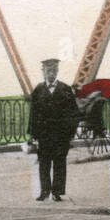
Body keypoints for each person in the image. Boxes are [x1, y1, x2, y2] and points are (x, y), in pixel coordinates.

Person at [28, 58, 79, 202]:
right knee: (44, 163)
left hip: (61, 134)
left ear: (57, 72)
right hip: (44, 135)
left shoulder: (65, 89)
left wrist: (70, 133)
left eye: (53, 71)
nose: (51, 74)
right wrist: (33, 134)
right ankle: (44, 191)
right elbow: (33, 113)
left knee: (59, 162)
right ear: (43, 72)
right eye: (48, 71)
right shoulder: (38, 90)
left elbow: (73, 113)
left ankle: (57, 192)